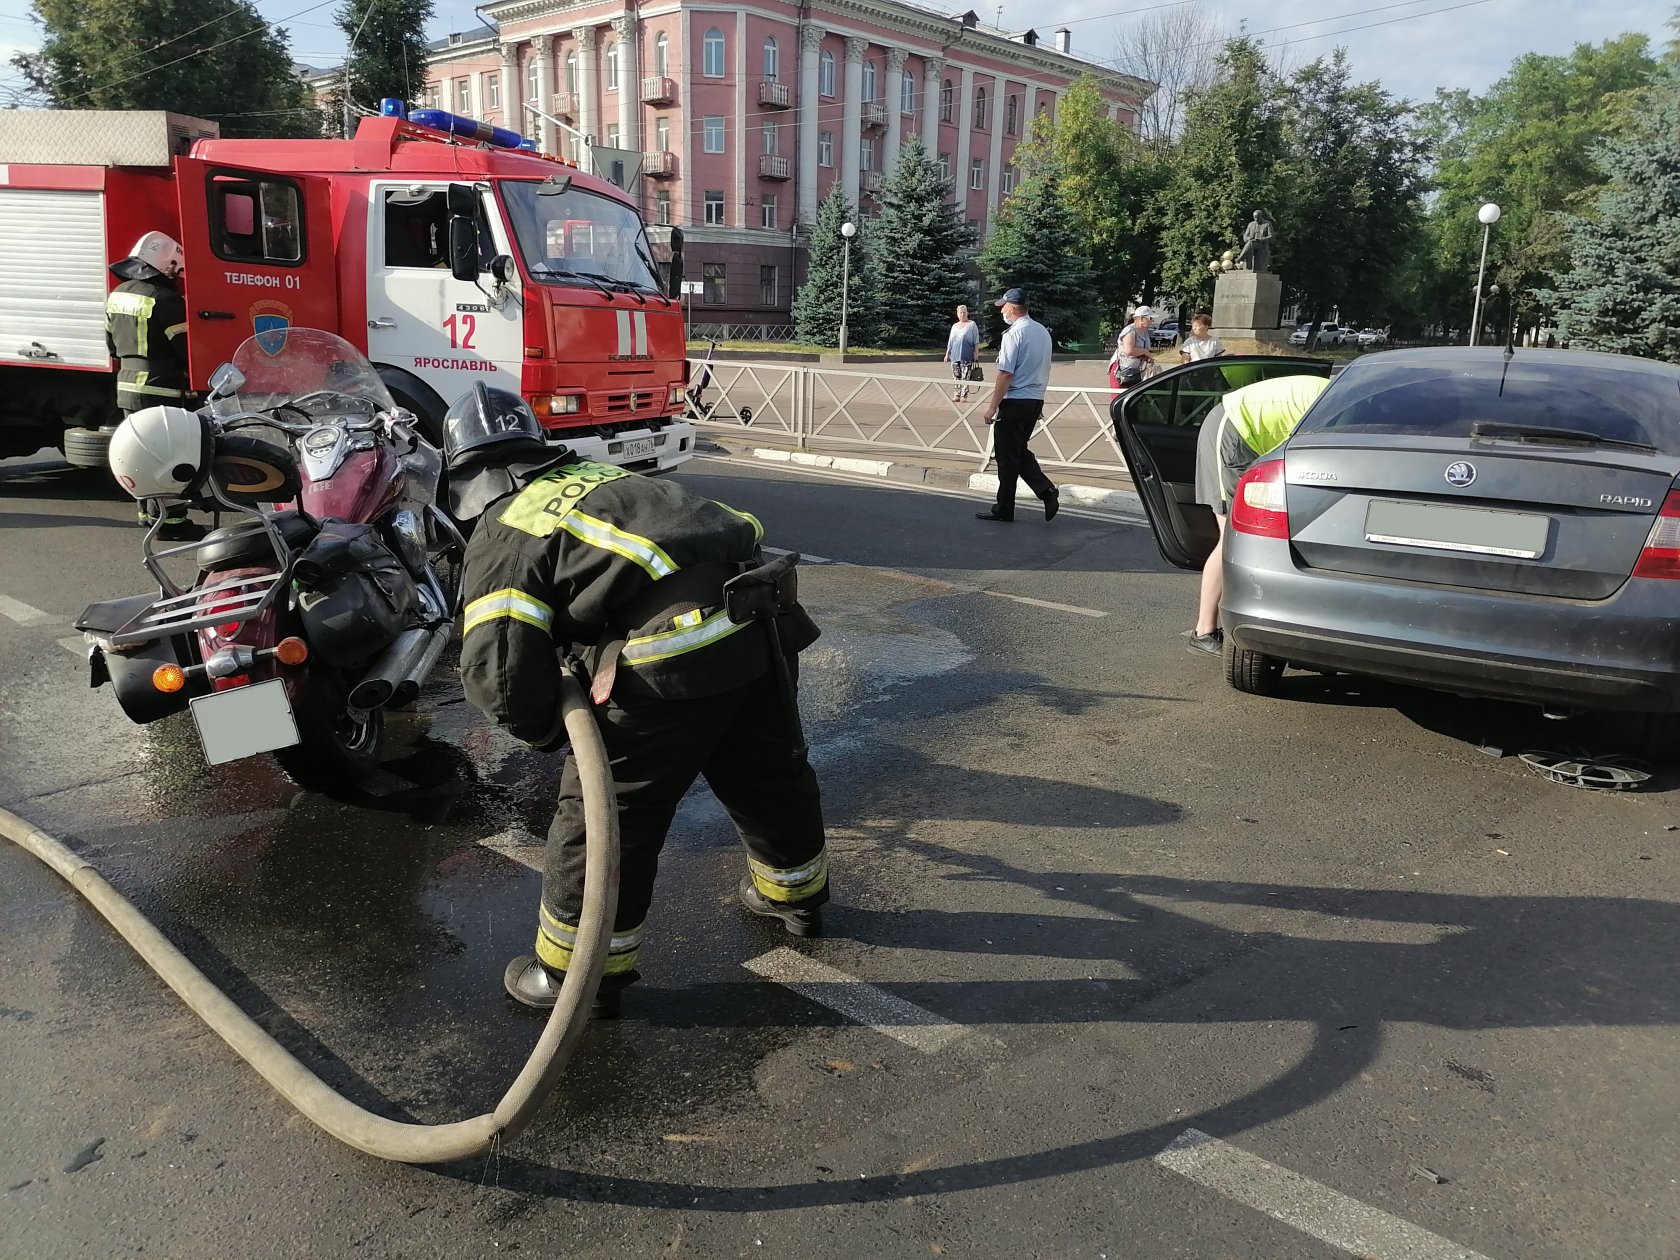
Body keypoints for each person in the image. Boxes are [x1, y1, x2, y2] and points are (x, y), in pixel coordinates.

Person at [446, 384, 829, 1018]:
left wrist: (549, 732)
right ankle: (796, 900)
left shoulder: (509, 525)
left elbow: (501, 670)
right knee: (769, 772)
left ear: (464, 473)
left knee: (606, 816)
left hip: (671, 658)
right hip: (759, 622)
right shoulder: (594, 473)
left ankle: (577, 973)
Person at [1187, 374, 1329, 655]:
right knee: (1232, 536)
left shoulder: (1342, 398)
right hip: (1232, 429)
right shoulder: (1336, 408)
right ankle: (1203, 631)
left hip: (1251, 436)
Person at [105, 232, 199, 541]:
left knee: (141, 454)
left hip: (127, 386)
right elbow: (186, 350)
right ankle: (173, 524)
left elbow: (111, 345)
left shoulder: (118, 294)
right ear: (167, 264)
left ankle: (147, 515)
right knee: (167, 454)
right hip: (161, 388)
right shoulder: (165, 299)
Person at [975, 287, 1058, 524]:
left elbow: (1005, 374)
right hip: (1034, 399)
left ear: (1011, 308)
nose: (1002, 310)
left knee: (1006, 455)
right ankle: (1044, 491)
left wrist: (992, 406)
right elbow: (1045, 367)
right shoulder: (1042, 332)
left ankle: (1005, 508)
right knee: (1017, 450)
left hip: (1015, 400)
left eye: (1003, 306)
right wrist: (1038, 397)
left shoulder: (1014, 334)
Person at [1108, 306, 1155, 392]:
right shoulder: (1130, 331)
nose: (1151, 321)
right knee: (1119, 399)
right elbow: (1129, 350)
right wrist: (1145, 352)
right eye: (1150, 318)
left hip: (1135, 372)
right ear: (1142, 318)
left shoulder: (1145, 332)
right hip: (1121, 372)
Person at [944, 304, 980, 404]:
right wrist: (947, 354)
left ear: (967, 313)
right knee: (956, 376)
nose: (962, 314)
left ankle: (964, 396)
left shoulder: (972, 325)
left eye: (964, 312)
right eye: (960, 312)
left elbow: (976, 340)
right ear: (957, 314)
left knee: (966, 376)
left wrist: (976, 353)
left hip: (967, 355)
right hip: (955, 355)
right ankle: (956, 395)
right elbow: (950, 341)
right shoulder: (954, 326)